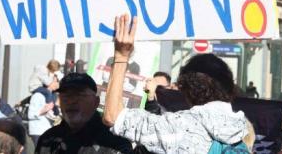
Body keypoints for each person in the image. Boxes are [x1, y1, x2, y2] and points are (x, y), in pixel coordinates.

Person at [102, 15, 252, 153]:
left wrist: (121, 55)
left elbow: (113, 116)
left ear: (186, 90)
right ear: (230, 89)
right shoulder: (241, 129)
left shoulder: (180, 128)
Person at [36, 72, 133, 154]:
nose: (72, 101)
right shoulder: (47, 139)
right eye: (66, 96)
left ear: (96, 102)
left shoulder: (114, 143)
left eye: (80, 95)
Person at [27, 77, 59, 146]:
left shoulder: (53, 96)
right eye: (55, 81)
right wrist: (43, 110)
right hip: (37, 131)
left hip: (47, 131)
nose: (57, 83)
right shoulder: (37, 95)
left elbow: (53, 115)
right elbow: (30, 115)